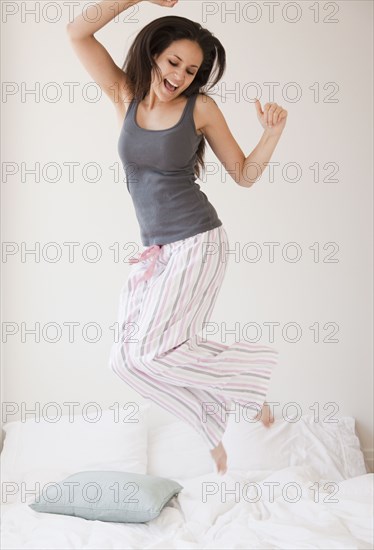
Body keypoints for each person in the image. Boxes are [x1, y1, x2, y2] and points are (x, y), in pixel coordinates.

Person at [67, 0, 288, 475]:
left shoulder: (200, 108)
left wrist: (271, 134)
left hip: (198, 240)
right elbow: (77, 34)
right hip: (154, 252)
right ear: (153, 55)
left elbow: (244, 174)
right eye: (173, 62)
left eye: (191, 70)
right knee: (125, 360)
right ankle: (217, 420)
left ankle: (249, 383)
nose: (180, 76)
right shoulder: (125, 97)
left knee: (156, 349)